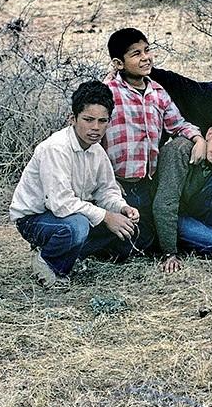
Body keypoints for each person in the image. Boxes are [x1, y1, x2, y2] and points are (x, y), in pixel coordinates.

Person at [9, 81, 142, 290]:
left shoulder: (96, 150)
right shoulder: (56, 148)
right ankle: (48, 263)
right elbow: (60, 204)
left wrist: (121, 208)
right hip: (34, 219)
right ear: (72, 118)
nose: (95, 128)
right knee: (77, 226)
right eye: (88, 120)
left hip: (69, 214)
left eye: (102, 121)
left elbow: (106, 190)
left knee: (124, 227)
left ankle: (72, 254)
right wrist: (107, 217)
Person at [103, 28, 205, 238]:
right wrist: (107, 181)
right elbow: (92, 138)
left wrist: (198, 138)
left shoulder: (157, 92)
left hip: (146, 185)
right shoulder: (108, 92)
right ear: (118, 63)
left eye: (147, 50)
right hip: (116, 185)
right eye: (136, 54)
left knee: (148, 237)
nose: (146, 58)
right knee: (125, 239)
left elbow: (178, 124)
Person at [152, 116, 212, 272]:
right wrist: (169, 252)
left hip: (188, 213)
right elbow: (164, 204)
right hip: (165, 218)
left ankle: (201, 234)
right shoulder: (182, 150)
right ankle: (189, 239)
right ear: (209, 134)